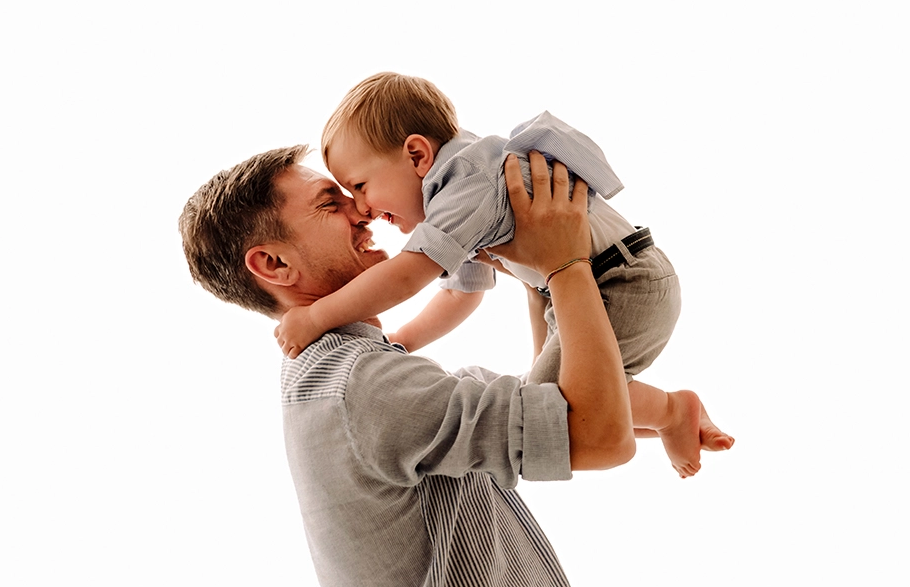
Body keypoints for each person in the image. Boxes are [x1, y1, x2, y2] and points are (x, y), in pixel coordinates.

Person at [180, 147, 650, 587]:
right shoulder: (363, 385)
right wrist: (567, 263)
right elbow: (600, 438)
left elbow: (558, 403)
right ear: (274, 264)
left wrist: (537, 274)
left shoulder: (350, 377)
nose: (362, 210)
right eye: (328, 203)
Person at [275, 72, 733, 477]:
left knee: (553, 405)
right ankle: (670, 417)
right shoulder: (457, 199)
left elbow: (405, 275)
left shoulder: (465, 186)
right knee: (549, 402)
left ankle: (674, 412)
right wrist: (401, 342)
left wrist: (315, 318)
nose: (363, 209)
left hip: (623, 282)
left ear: (417, 155)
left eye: (359, 186)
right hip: (597, 282)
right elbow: (461, 295)